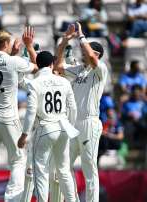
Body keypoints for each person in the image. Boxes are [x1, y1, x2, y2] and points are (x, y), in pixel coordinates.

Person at [0, 28, 38, 202]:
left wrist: (11, 54)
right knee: (18, 160)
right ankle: (12, 199)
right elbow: (38, 68)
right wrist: (28, 46)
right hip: (8, 119)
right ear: (5, 44)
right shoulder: (14, 62)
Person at [54, 22, 109, 202]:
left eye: (86, 50)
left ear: (97, 54)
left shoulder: (100, 69)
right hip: (73, 124)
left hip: (89, 122)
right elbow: (57, 67)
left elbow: (92, 59)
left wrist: (81, 36)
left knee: (89, 167)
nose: (82, 52)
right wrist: (64, 41)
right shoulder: (78, 70)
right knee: (62, 167)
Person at [17, 51, 78, 202]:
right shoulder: (64, 82)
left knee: (41, 171)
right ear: (52, 64)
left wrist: (24, 134)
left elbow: (31, 111)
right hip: (63, 128)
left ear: (37, 65)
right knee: (64, 171)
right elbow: (73, 108)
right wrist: (69, 125)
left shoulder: (34, 83)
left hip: (45, 128)